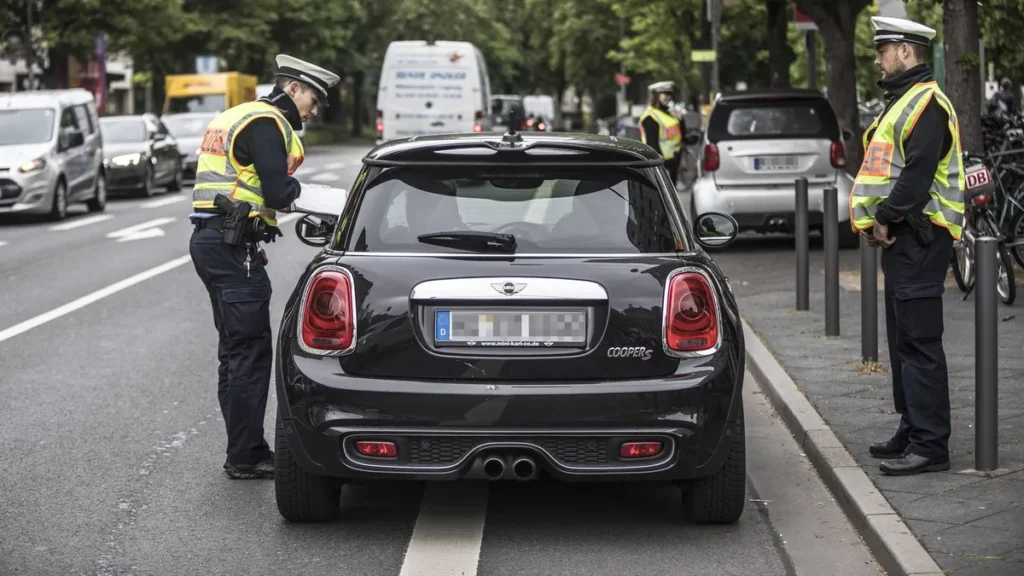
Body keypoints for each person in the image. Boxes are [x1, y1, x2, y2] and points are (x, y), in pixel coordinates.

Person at [189, 54, 340, 480]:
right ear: (293, 88)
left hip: (215, 241)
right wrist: (329, 202)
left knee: (234, 352)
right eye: (313, 98)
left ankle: (242, 449)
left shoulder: (237, 115)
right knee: (251, 353)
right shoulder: (267, 123)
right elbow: (276, 191)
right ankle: (246, 455)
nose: (315, 109)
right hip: (231, 245)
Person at [849, 17, 965, 476]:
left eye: (883, 50)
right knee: (902, 342)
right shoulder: (903, 102)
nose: (878, 59)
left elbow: (915, 180)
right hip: (902, 239)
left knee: (919, 343)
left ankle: (931, 445)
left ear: (904, 50)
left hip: (919, 236)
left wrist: (881, 218)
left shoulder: (927, 105)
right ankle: (911, 427)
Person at [639, 81, 684, 185]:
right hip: (663, 166)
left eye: (669, 95)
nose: (668, 97)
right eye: (665, 94)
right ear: (656, 95)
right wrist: (660, 166)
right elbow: (652, 145)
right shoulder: (650, 117)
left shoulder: (668, 114)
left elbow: (678, 134)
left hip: (673, 164)